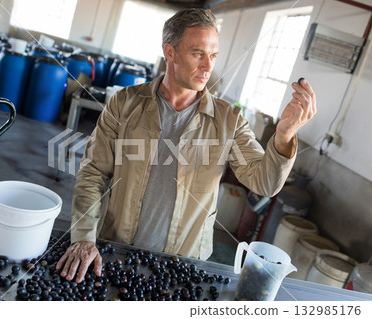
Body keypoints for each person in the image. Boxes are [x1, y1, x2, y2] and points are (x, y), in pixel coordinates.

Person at [56, 8, 316, 283]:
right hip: (117, 251)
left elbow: (264, 184)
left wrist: (284, 136)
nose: (208, 67)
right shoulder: (125, 104)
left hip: (182, 266)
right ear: (170, 52)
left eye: (213, 55)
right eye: (198, 54)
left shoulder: (229, 121)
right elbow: (93, 172)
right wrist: (84, 237)